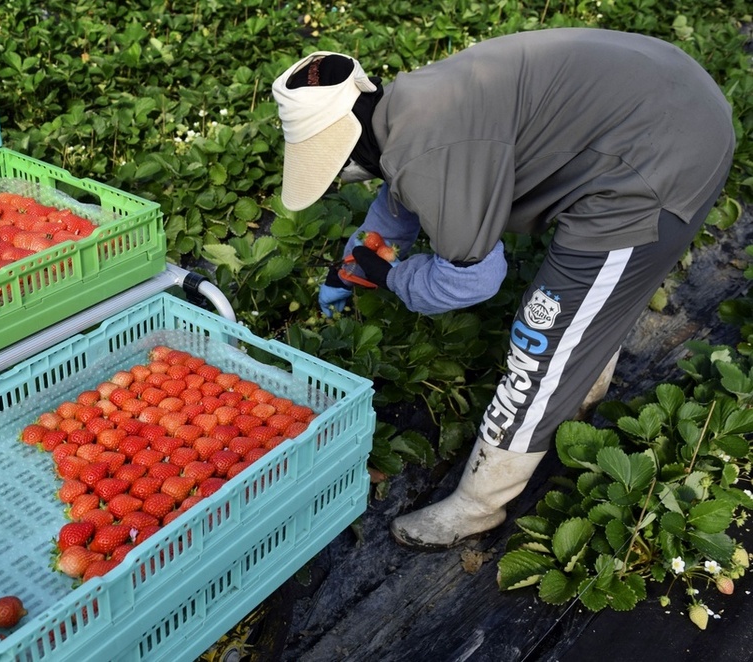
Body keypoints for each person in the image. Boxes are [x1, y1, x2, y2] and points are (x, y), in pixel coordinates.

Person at [271, 28, 736, 551]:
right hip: (671, 91)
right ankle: (582, 384)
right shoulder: (409, 105)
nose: (340, 176)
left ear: (350, 142)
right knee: (591, 307)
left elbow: (472, 278)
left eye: (335, 163)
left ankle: (477, 504)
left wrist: (391, 278)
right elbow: (398, 195)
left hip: (658, 163)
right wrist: (351, 262)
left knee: (540, 340)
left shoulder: (431, 151)